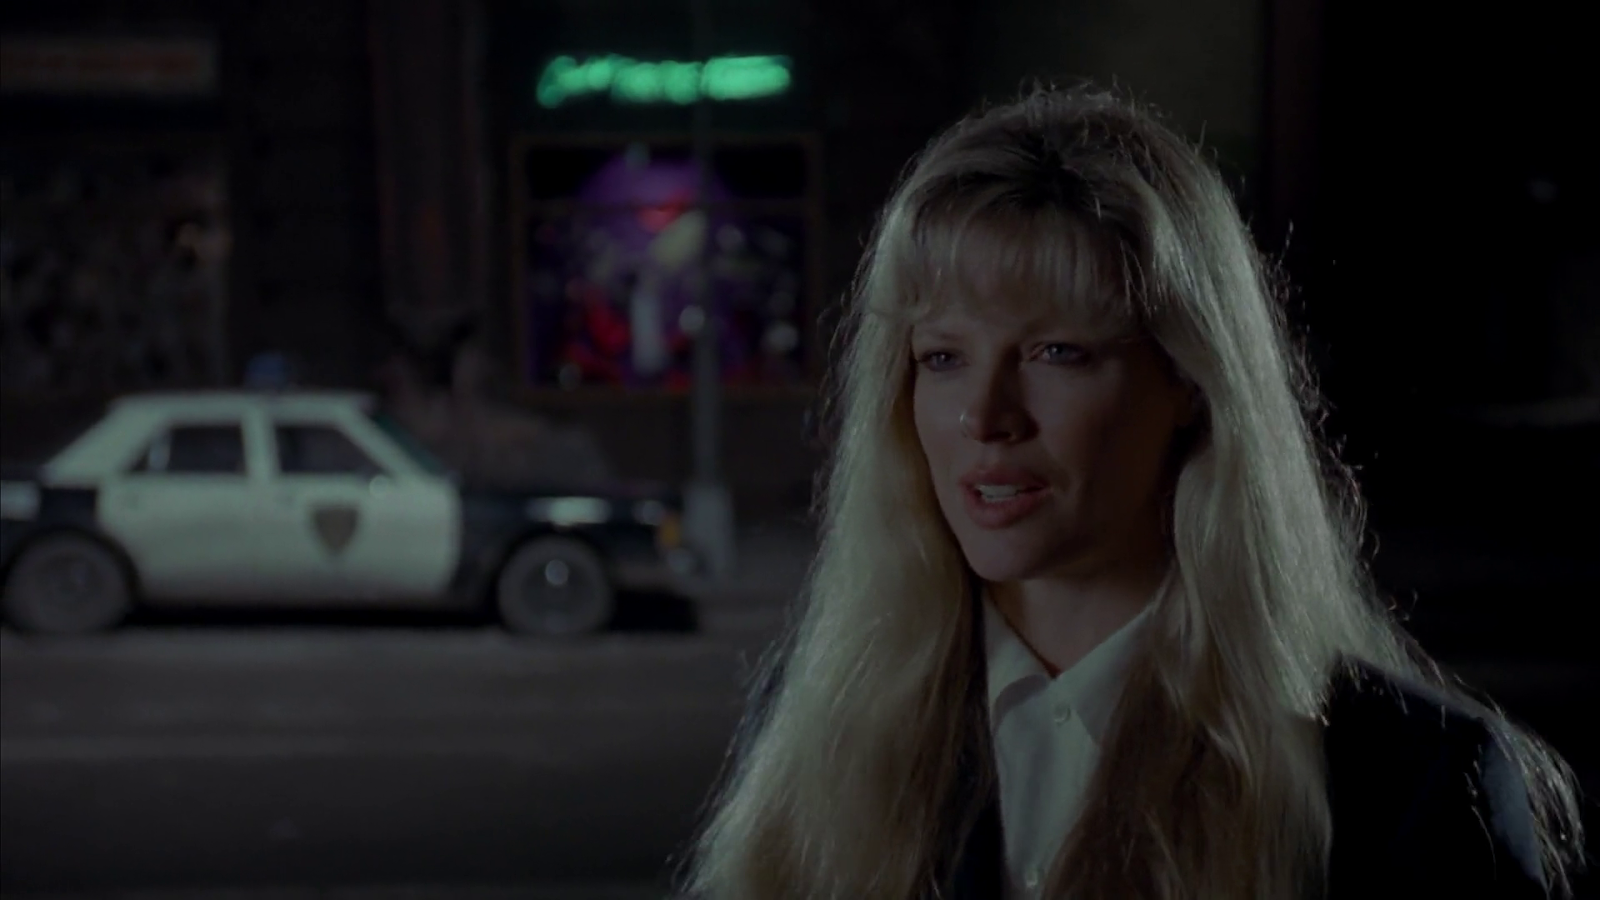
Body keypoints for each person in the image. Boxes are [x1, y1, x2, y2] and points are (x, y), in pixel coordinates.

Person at [683, 86, 1587, 899]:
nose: (985, 417)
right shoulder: (817, 719)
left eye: (1057, 353)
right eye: (943, 357)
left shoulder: (1409, 781)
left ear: (1190, 384)